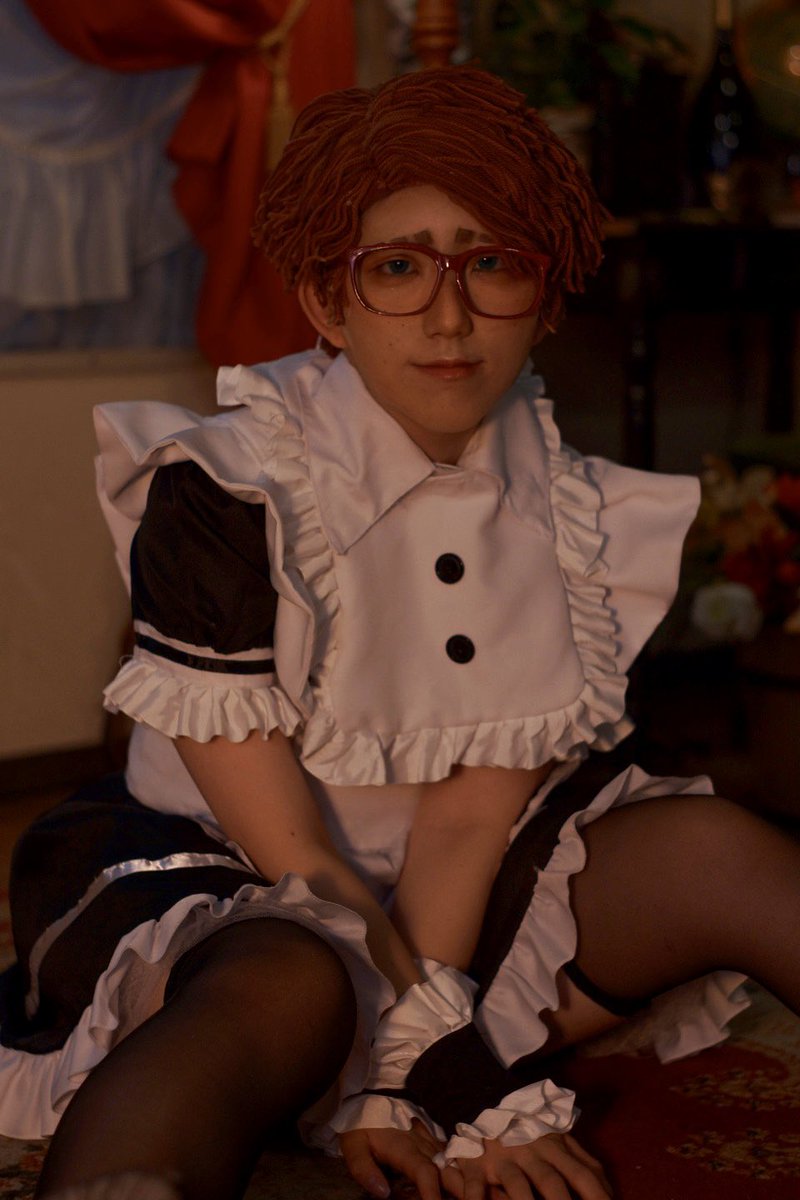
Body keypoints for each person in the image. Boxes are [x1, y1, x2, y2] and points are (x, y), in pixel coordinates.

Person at [2, 66, 799, 1200]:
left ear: (547, 297)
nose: (447, 316)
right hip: (240, 880)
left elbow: (469, 820)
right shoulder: (224, 487)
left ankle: (364, 1063)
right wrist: (454, 1080)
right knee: (297, 979)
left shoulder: (570, 513)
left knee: (715, 850)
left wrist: (411, 1067)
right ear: (327, 302)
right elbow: (300, 858)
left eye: (493, 264)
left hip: (455, 898)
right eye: (396, 268)